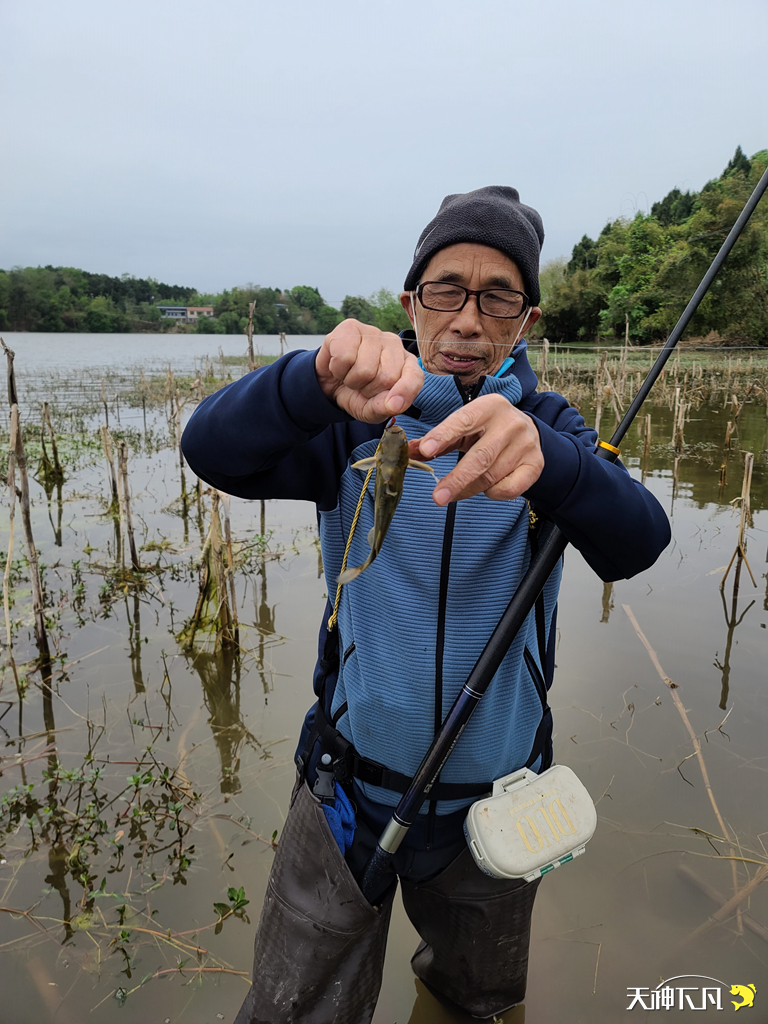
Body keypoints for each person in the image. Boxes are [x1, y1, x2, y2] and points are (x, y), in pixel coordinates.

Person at [181, 185, 671, 1023]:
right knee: (295, 1008)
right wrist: (309, 380)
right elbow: (211, 450)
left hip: (499, 806)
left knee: (475, 1005)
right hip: (343, 791)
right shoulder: (351, 425)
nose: (469, 319)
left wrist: (555, 464)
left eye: (499, 296)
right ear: (411, 304)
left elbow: (639, 541)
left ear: (527, 320)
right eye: (446, 289)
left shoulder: (552, 429)